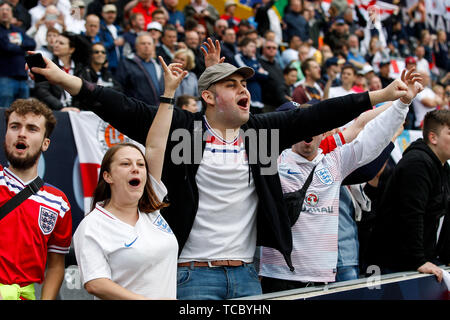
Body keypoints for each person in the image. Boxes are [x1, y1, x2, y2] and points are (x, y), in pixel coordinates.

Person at [30, 38, 413, 300]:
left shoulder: (260, 134)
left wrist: (380, 96)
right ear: (210, 97)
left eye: (244, 82)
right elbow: (120, 106)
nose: (244, 88)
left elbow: (318, 114)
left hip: (247, 276)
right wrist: (63, 78)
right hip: (193, 275)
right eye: (232, 84)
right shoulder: (186, 131)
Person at [259, 69, 420, 289]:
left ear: (324, 132)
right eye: (301, 127)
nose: (308, 133)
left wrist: (402, 104)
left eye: (314, 127)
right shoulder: (271, 161)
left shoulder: (334, 162)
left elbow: (372, 136)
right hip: (278, 276)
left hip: (322, 277)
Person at [73, 57, 186, 300]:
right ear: (108, 176)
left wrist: (168, 93)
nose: (136, 168)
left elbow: (155, 145)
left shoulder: (151, 210)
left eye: (140, 164)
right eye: (125, 164)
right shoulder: (93, 226)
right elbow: (96, 283)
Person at [0, 98, 72, 300]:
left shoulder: (59, 203)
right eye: (15, 126)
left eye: (32, 129)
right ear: (6, 135)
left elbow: (56, 266)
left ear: (45, 143)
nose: (21, 133)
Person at [368, 109, 450, 283]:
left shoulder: (442, 167)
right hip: (394, 265)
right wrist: (419, 260)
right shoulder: (418, 163)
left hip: (418, 261)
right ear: (433, 138)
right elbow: (411, 214)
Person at [34, 31, 90, 112]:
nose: (56, 45)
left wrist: (77, 108)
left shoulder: (81, 69)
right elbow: (41, 90)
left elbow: (85, 91)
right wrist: (60, 107)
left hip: (78, 112)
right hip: (54, 111)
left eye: (61, 43)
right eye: (56, 42)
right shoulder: (46, 66)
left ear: (71, 49)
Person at [0, 1, 36, 108]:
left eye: (7, 10)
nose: (5, 12)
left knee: (23, 111)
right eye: (2, 10)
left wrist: (18, 45)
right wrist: (21, 47)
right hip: (5, 78)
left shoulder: (17, 30)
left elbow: (32, 43)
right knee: (4, 112)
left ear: (12, 14)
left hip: (22, 79)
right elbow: (6, 46)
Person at [116, 32, 164, 106]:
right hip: (136, 111)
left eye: (149, 43)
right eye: (143, 43)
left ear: (153, 46)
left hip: (156, 110)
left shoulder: (157, 65)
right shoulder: (126, 63)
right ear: (136, 46)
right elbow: (119, 87)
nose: (146, 46)